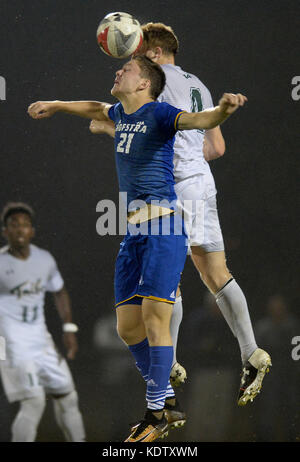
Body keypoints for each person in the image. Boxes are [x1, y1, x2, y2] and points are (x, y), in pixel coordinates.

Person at [28, 55, 247, 442]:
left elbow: (201, 120)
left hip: (164, 228)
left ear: (145, 83)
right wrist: (58, 105)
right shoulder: (122, 114)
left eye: (126, 70)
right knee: (128, 329)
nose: (118, 71)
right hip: (133, 233)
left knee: (153, 319)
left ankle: (155, 412)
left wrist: (224, 110)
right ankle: (168, 400)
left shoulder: (161, 114)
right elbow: (96, 108)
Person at [91, 23, 272, 407]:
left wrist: (111, 130)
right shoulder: (198, 84)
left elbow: (145, 129)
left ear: (154, 54)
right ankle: (251, 352)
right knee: (215, 273)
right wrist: (187, 153)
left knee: (166, 276)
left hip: (174, 188)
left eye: (138, 54)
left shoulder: (157, 82)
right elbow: (216, 147)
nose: (133, 63)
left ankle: (168, 364)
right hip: (201, 182)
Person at [0, 202, 85, 442]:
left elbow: (59, 290)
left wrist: (68, 328)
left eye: (25, 225)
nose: (20, 230)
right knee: (34, 402)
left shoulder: (43, 259)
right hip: (12, 344)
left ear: (32, 231)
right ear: (5, 232)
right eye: (14, 225)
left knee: (69, 398)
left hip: (41, 341)